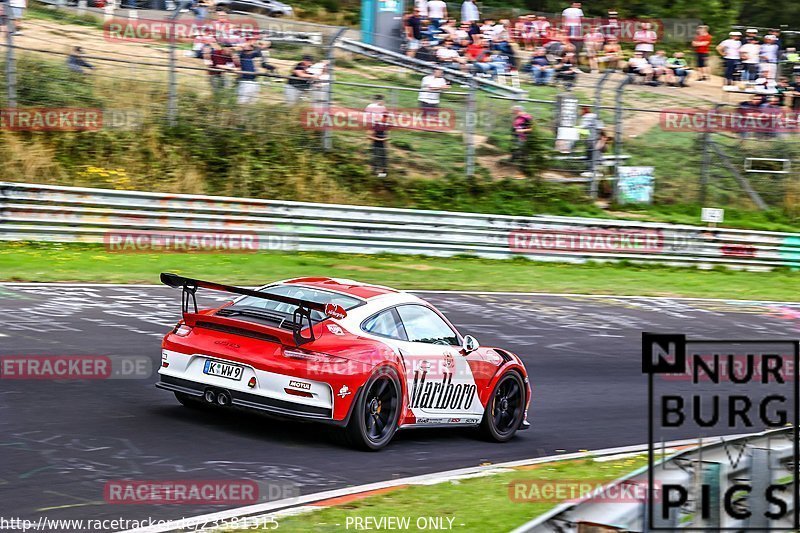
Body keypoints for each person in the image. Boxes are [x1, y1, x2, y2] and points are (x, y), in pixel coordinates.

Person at [368, 113, 390, 178]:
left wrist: (386, 139)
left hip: (383, 146)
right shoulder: (376, 125)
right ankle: (374, 176)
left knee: (384, 160)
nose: (386, 119)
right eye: (384, 117)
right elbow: (369, 136)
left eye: (386, 117)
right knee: (376, 160)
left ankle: (382, 176)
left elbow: (387, 136)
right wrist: (379, 139)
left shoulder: (385, 126)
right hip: (376, 145)